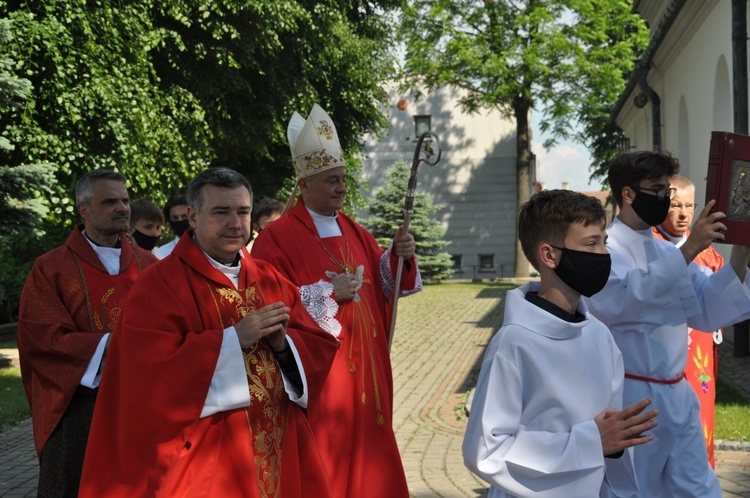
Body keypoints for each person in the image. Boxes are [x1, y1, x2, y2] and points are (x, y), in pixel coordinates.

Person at [79, 167, 339, 497]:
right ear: (192, 216)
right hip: (209, 462)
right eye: (221, 212)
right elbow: (145, 376)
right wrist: (233, 340)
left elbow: (317, 349)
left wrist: (283, 345)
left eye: (243, 212)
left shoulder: (270, 279)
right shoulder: (159, 285)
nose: (235, 223)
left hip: (280, 445)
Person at [252, 104, 422, 498]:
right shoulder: (276, 237)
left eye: (343, 179)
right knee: (327, 456)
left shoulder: (355, 230)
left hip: (368, 367)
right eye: (331, 180)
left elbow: (387, 281)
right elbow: (267, 299)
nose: (341, 188)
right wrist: (328, 293)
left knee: (370, 446)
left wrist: (399, 255)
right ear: (305, 184)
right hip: (323, 374)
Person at [462, 189, 658, 498]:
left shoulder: (599, 334)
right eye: (591, 244)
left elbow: (608, 434)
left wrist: (616, 442)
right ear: (549, 255)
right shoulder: (514, 343)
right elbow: (486, 450)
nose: (603, 255)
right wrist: (591, 443)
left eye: (604, 243)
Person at [586, 150, 750, 497]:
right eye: (658, 191)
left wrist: (741, 249)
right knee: (635, 489)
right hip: (633, 399)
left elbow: (707, 307)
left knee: (699, 489)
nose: (665, 199)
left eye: (668, 192)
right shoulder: (605, 249)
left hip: (678, 392)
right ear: (628, 194)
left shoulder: (665, 253)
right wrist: (690, 247)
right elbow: (626, 301)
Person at [16, 169, 158, 496]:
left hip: (141, 399)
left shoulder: (148, 264)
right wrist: (114, 344)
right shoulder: (52, 268)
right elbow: (41, 338)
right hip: (80, 405)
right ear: (84, 210)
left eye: (125, 200)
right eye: (110, 202)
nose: (123, 208)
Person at [652, 174, 725, 467]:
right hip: (662, 356)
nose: (684, 214)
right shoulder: (650, 245)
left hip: (701, 355)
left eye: (689, 205)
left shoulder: (708, 252)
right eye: (675, 206)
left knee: (701, 414)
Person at [154, 192, 189, 259]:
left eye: (184, 216)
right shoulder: (161, 254)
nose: (180, 220)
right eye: (175, 218)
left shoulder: (208, 249)